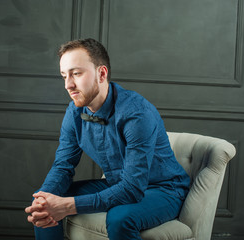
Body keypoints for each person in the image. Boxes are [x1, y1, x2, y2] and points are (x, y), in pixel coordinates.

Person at [25, 38, 190, 240]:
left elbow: (132, 188)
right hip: (117, 183)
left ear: (101, 74)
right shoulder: (74, 111)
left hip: (163, 190)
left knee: (120, 218)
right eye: (64, 76)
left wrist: (68, 206)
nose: (68, 84)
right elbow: (63, 166)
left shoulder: (137, 113)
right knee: (45, 201)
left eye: (76, 74)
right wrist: (43, 198)